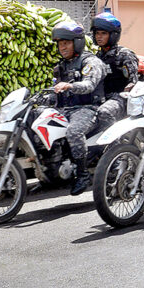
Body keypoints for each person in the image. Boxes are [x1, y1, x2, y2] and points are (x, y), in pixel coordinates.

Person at [51, 22, 107, 195]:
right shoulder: (61, 66)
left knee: (74, 131)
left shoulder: (91, 62)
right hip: (66, 109)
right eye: (60, 44)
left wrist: (69, 86)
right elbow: (55, 91)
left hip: (88, 109)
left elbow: (89, 85)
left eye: (66, 43)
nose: (63, 47)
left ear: (77, 42)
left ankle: (83, 174)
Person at [91, 12, 139, 130]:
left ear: (113, 35)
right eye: (97, 33)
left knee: (105, 112)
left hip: (121, 99)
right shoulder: (96, 57)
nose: (99, 37)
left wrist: (130, 86)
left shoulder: (124, 54)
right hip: (101, 98)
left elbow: (134, 82)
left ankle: (115, 144)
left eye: (103, 33)